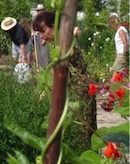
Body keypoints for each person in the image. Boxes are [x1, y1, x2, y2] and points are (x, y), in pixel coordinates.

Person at [33, 11, 97, 141]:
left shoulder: (65, 43)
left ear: (53, 26)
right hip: (73, 93)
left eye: (43, 31)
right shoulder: (60, 43)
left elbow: (61, 72)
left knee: (80, 135)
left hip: (78, 94)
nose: (41, 37)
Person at [107, 13, 128, 78]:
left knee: (115, 72)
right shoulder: (119, 30)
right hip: (120, 54)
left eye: (111, 25)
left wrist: (124, 56)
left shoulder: (121, 30)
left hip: (122, 54)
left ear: (114, 23)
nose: (111, 27)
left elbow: (125, 43)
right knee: (119, 72)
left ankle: (114, 87)